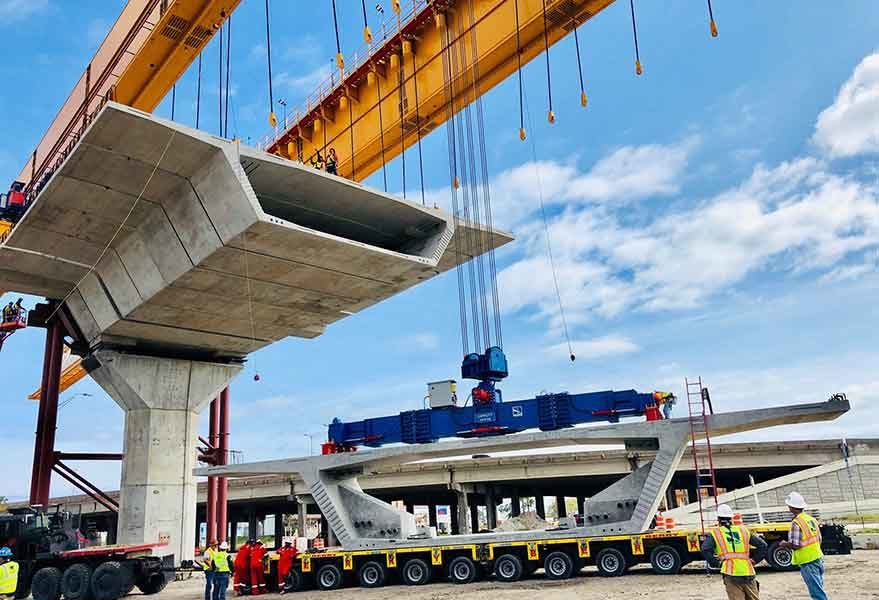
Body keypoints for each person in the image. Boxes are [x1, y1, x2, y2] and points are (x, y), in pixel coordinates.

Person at [701, 504, 767, 600]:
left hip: (730, 573)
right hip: (748, 572)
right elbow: (763, 545)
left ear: (718, 519)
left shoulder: (716, 533)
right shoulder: (743, 530)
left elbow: (705, 549)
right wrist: (754, 560)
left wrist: (716, 563)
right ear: (731, 518)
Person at [779, 492, 828, 600]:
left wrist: (784, 544)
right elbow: (819, 539)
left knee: (817, 593)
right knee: (818, 587)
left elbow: (796, 545)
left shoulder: (797, 522)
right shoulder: (811, 519)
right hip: (817, 557)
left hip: (807, 561)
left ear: (792, 507)